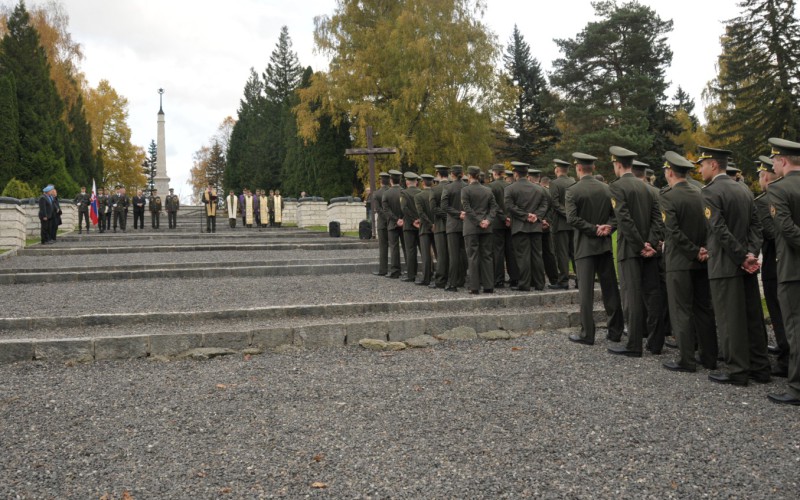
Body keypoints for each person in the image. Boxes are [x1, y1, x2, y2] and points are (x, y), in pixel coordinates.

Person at [697, 145, 770, 386]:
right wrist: (751, 253)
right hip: (745, 263)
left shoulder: (709, 192)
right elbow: (756, 226)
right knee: (752, 317)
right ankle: (760, 368)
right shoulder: (744, 189)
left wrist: (741, 257)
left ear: (714, 165)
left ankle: (737, 370)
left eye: (703, 164)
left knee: (730, 320)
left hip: (726, 265)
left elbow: (719, 229)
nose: (700, 169)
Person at [659, 151, 717, 373]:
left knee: (681, 310)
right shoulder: (701, 192)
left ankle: (686, 359)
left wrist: (694, 251)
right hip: (703, 259)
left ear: (670, 172)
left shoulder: (668, 196)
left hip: (680, 261)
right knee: (704, 309)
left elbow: (672, 231)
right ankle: (709, 357)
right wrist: (703, 251)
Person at [607, 146, 662, 357]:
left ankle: (634, 344)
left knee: (631, 296)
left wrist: (640, 245)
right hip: (649, 250)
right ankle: (655, 344)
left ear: (618, 164)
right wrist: (651, 243)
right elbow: (657, 220)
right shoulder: (648, 188)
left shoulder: (617, 187)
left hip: (631, 250)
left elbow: (624, 220)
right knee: (652, 295)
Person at [565, 152, 624, 345]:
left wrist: (592, 229)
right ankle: (615, 331)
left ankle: (587, 333)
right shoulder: (607, 189)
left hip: (584, 247)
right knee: (610, 290)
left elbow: (571, 218)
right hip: (605, 246)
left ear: (578, 168)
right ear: (594, 168)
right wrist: (607, 228)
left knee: (586, 292)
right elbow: (616, 216)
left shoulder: (573, 191)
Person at [765, 137, 800, 405]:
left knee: (795, 328)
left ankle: (797, 388)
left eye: (774, 160)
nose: (773, 165)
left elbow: (786, 228)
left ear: (783, 161)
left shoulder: (778, 189)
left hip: (792, 269)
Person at [755, 156, 788, 377]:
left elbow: (769, 232)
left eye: (759, 175)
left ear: (765, 175)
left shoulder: (764, 200)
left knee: (779, 313)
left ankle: (786, 359)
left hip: (775, 264)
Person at [504, 161, 549, 291]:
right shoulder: (539, 188)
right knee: (537, 255)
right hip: (535, 227)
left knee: (522, 256)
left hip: (520, 227)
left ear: (515, 173)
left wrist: (525, 216)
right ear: (527, 173)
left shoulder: (510, 188)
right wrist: (536, 216)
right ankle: (539, 283)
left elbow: (509, 206)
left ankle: (524, 283)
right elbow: (545, 204)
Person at [462, 165, 498, 294]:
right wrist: (487, 220)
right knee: (487, 256)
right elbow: (494, 208)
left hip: (471, 228)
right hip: (486, 227)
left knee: (473, 257)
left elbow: (467, 209)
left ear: (469, 175)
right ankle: (489, 286)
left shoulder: (466, 190)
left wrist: (478, 221)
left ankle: (474, 287)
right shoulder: (488, 190)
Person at [489, 164, 518, 289]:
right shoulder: (510, 186)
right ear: (504, 173)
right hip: (510, 222)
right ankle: (514, 278)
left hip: (497, 222)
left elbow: (493, 205)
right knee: (511, 251)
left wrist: (502, 217)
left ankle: (499, 279)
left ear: (494, 173)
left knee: (498, 252)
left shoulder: (491, 187)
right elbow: (513, 204)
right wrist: (509, 218)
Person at [549, 158, 576, 289]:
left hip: (560, 223)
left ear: (557, 169)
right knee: (574, 252)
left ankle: (564, 280)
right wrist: (572, 214)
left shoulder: (554, 183)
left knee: (562, 253)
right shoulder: (574, 182)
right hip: (574, 223)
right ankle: (579, 279)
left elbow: (554, 203)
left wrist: (566, 214)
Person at [531, 168, 559, 287]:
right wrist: (547, 220)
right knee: (548, 253)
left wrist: (539, 219)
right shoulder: (546, 191)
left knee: (535, 253)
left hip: (533, 225)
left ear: (529, 177)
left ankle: (537, 280)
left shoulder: (531, 191)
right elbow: (552, 207)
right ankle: (554, 278)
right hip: (545, 225)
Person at [441, 165, 468, 291]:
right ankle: (462, 279)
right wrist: (463, 213)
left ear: (452, 174)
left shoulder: (448, 187)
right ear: (462, 174)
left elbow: (444, 206)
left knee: (454, 255)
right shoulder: (467, 187)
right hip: (467, 225)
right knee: (464, 253)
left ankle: (453, 283)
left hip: (452, 225)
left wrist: (457, 214)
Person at [430, 165, 451, 288]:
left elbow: (433, 208)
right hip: (455, 225)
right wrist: (451, 216)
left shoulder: (435, 190)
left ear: (438, 174)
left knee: (442, 254)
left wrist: (446, 216)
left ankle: (441, 280)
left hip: (440, 226)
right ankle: (457, 278)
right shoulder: (455, 187)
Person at [382, 170, 405, 279]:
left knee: (394, 247)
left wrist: (396, 220)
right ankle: (410, 270)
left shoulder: (386, 193)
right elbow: (408, 208)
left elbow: (386, 210)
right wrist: (402, 219)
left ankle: (395, 271)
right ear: (400, 180)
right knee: (407, 247)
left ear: (391, 180)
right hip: (405, 223)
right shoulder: (404, 192)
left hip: (392, 224)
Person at [400, 172, 422, 282]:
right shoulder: (421, 192)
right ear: (416, 182)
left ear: (407, 182)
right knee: (424, 250)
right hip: (421, 224)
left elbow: (404, 208)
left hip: (409, 225)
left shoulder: (404, 193)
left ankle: (411, 274)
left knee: (410, 250)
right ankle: (429, 271)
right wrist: (418, 219)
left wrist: (413, 220)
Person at [415, 174, 436, 286]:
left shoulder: (419, 196)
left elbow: (421, 213)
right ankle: (441, 275)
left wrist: (429, 224)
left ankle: (426, 277)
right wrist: (434, 224)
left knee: (426, 254)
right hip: (437, 227)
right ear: (432, 183)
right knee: (439, 254)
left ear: (423, 183)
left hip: (425, 228)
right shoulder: (436, 193)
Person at [372, 172, 391, 276]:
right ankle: (395, 269)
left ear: (380, 181)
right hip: (394, 222)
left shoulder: (376, 194)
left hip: (382, 223)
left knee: (383, 247)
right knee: (394, 246)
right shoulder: (393, 192)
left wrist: (386, 217)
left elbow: (378, 209)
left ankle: (383, 269)